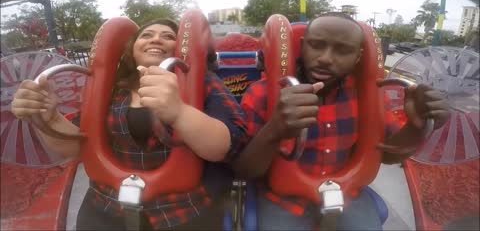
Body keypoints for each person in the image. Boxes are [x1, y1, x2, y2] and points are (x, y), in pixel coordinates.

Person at [11, 18, 247, 230]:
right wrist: (48, 116)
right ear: (132, 49)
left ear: (181, 49)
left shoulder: (204, 83)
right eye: (146, 35)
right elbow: (80, 148)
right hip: (106, 208)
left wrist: (179, 112)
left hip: (180, 212)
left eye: (168, 36)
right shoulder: (113, 88)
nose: (156, 38)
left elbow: (228, 146)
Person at [233, 12, 451, 230]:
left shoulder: (366, 97)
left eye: (343, 50)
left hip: (348, 193)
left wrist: (418, 126)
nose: (326, 58)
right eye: (316, 45)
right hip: (283, 199)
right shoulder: (262, 93)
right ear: (302, 46)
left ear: (358, 56)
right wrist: (275, 128)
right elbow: (244, 170)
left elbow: (387, 155)